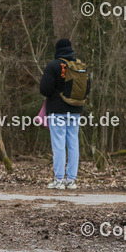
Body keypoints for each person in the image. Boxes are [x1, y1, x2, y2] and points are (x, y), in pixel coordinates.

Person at [40, 39, 90, 190]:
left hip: (57, 111)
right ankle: (71, 180)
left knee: (59, 145)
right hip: (75, 111)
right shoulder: (79, 66)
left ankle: (59, 179)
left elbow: (44, 90)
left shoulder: (54, 66)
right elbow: (87, 90)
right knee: (73, 144)